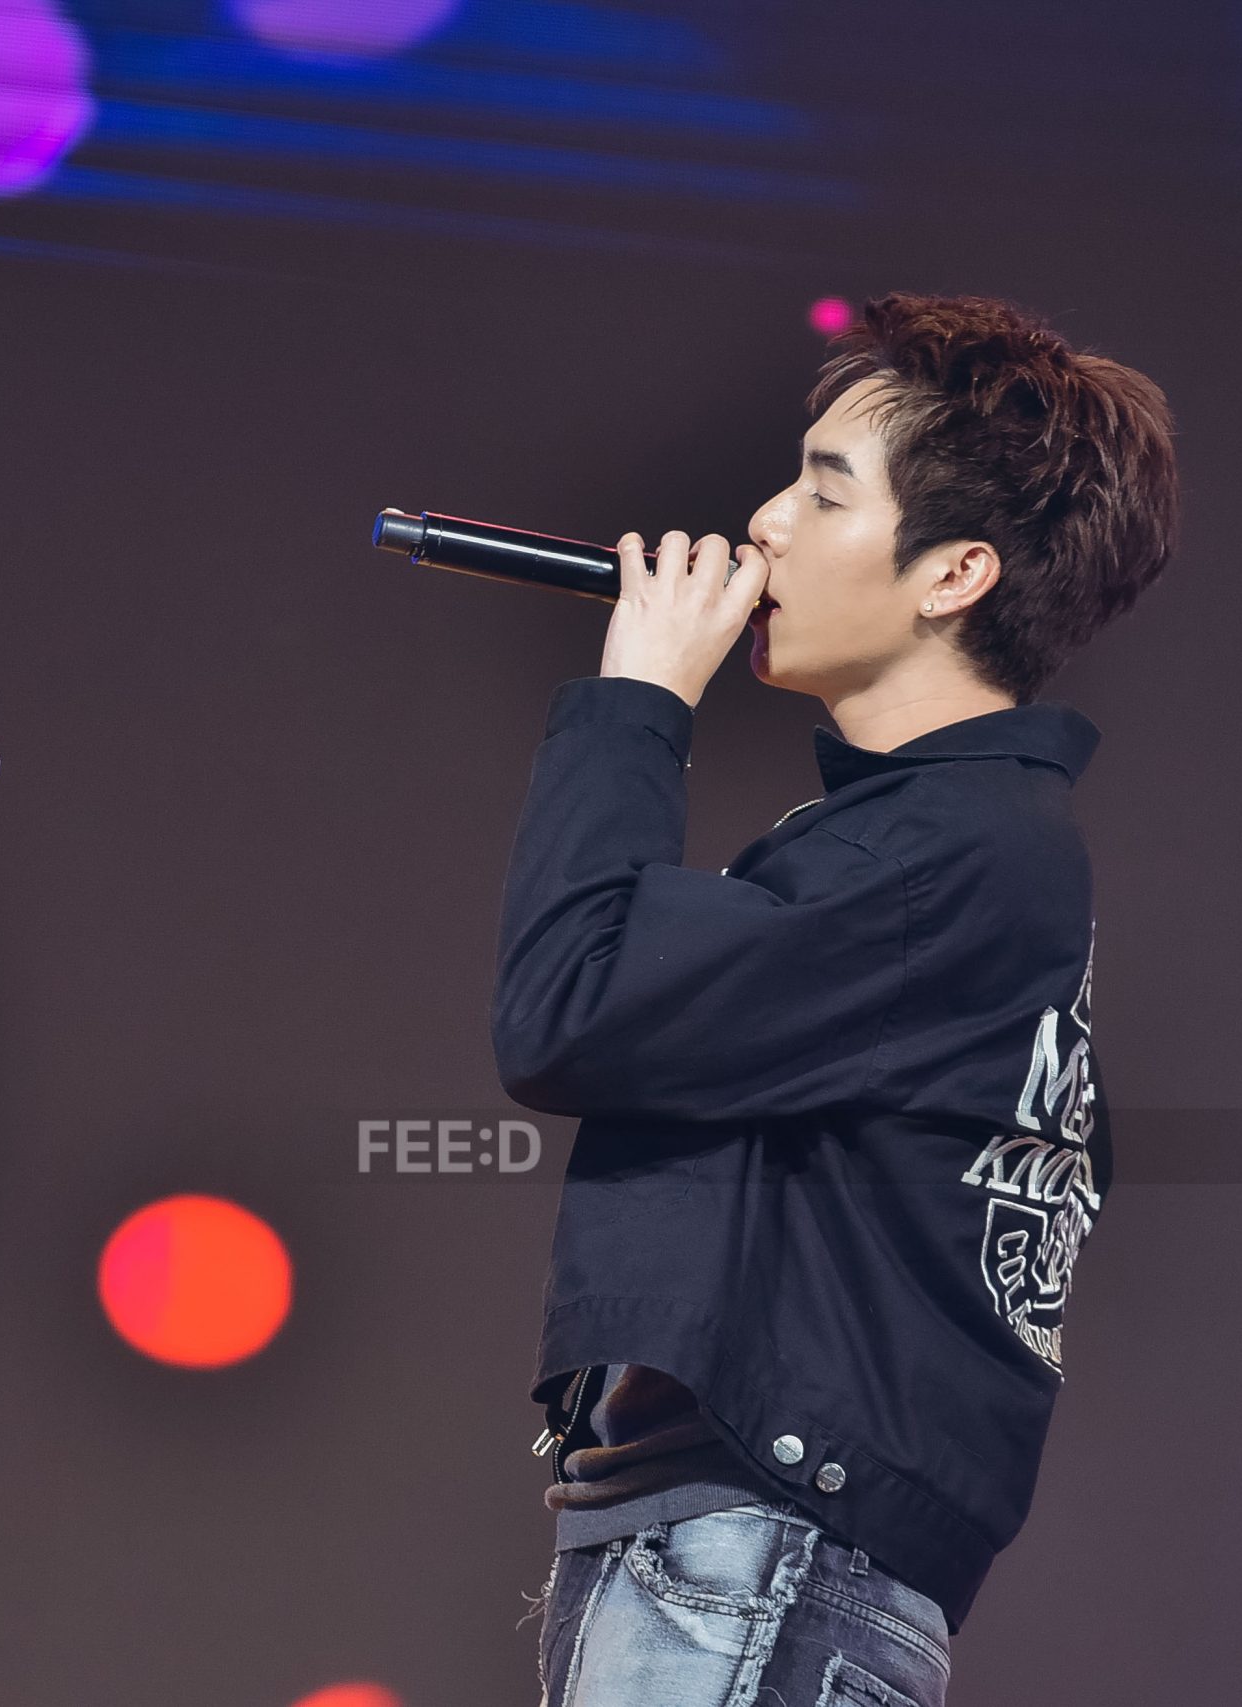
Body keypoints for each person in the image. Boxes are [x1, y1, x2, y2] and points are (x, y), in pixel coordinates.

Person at [493, 295, 1178, 1705]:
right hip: (745, 1558)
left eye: (821, 491)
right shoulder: (950, 848)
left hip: (763, 1559)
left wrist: (638, 701)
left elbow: (571, 1005)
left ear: (955, 574)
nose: (763, 523)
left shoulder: (952, 853)